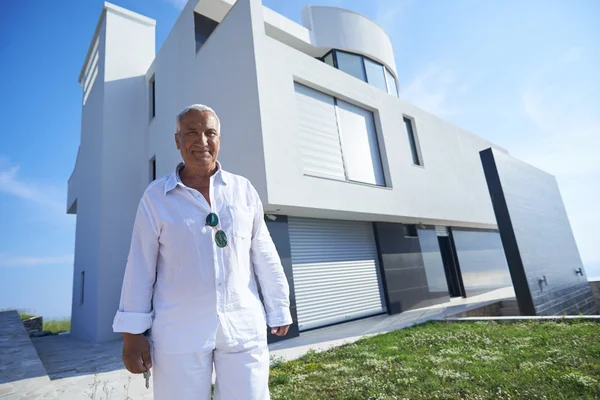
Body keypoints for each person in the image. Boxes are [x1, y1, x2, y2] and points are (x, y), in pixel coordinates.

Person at [112, 104, 292, 399]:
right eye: (192, 133)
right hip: (178, 333)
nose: (202, 141)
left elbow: (264, 251)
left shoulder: (243, 190)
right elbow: (140, 266)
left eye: (210, 133)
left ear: (219, 138)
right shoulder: (156, 197)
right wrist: (132, 335)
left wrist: (279, 306)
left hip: (243, 326)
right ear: (177, 141)